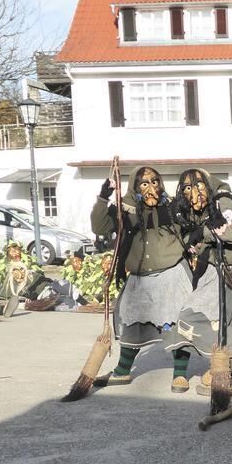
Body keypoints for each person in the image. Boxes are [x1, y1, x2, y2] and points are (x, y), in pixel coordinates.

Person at [160, 168, 232, 394]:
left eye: (200, 185)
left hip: (228, 272)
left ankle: (223, 372)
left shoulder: (222, 200)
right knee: (206, 321)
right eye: (188, 188)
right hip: (213, 272)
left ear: (208, 185)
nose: (195, 193)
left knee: (214, 321)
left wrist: (204, 234)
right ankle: (209, 371)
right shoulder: (192, 210)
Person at [90, 165, 194, 390]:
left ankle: (180, 374)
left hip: (171, 275)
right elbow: (99, 226)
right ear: (135, 187)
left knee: (176, 325)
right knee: (132, 322)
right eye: (144, 183)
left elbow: (195, 219)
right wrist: (103, 197)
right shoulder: (124, 210)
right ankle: (122, 371)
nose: (151, 188)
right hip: (140, 277)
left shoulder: (173, 207)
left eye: (155, 182)